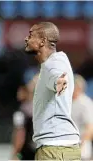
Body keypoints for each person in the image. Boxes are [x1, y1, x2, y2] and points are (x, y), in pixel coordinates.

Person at [24, 22, 81, 160]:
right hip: (66, 147)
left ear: (42, 41)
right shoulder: (57, 61)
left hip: (53, 149)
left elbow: (55, 74)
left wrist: (57, 82)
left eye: (31, 35)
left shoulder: (53, 63)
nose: (26, 38)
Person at [11, 74, 39, 160]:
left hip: (26, 150)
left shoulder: (21, 112)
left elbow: (20, 133)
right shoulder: (38, 109)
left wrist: (15, 152)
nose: (18, 93)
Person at [72, 74, 93, 160]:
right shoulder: (66, 102)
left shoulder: (86, 103)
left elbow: (90, 129)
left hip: (82, 153)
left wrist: (79, 146)